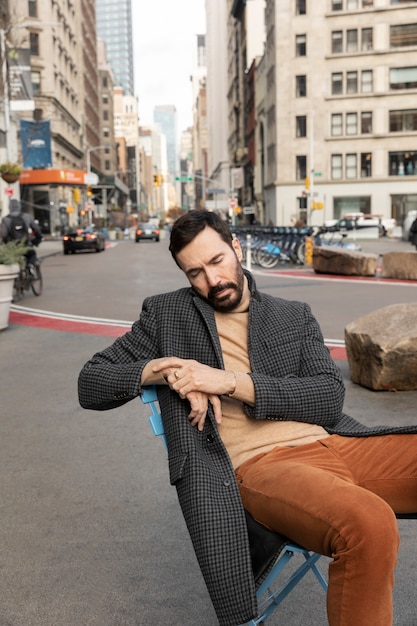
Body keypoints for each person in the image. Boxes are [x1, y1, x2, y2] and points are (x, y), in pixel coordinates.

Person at [78, 210, 417, 626]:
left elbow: (329, 398)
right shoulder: (167, 316)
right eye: (195, 273)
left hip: (338, 443)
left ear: (236, 248)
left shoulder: (292, 314)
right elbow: (90, 383)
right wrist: (167, 368)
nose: (212, 280)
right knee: (368, 523)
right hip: (263, 466)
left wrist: (227, 381)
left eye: (217, 261)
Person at [0, 199, 42, 268]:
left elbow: (3, 234)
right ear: (19, 206)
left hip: (13, 247)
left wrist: (5, 244)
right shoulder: (26, 216)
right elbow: (36, 229)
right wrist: (38, 238)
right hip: (26, 245)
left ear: (9, 207)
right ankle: (30, 265)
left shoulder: (6, 219)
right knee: (32, 254)